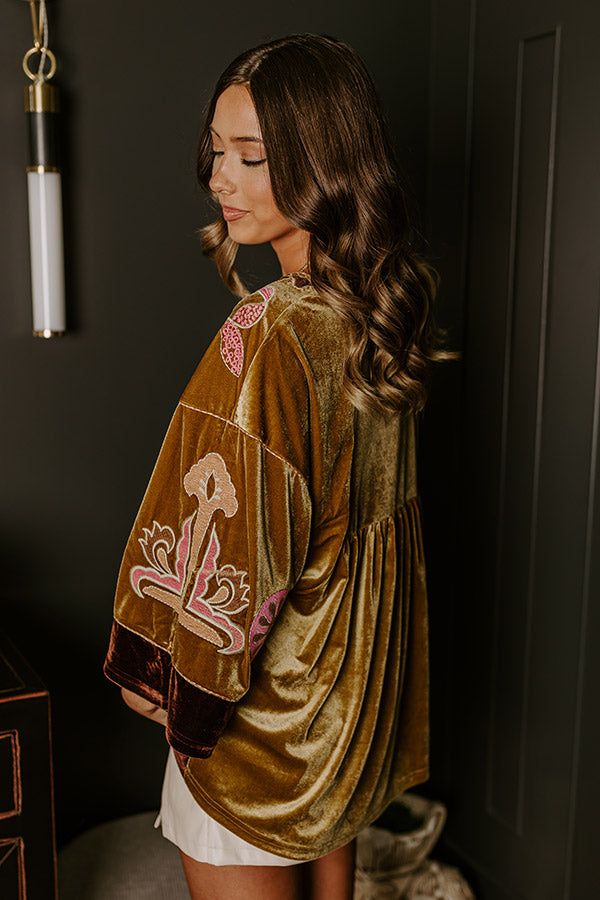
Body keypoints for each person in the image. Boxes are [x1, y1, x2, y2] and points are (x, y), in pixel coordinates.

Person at [104, 33, 450, 900]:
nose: (220, 179)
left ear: (324, 163)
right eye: (216, 151)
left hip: (260, 736)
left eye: (251, 157)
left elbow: (234, 540)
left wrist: (170, 676)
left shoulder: (268, 334)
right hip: (338, 710)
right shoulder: (377, 309)